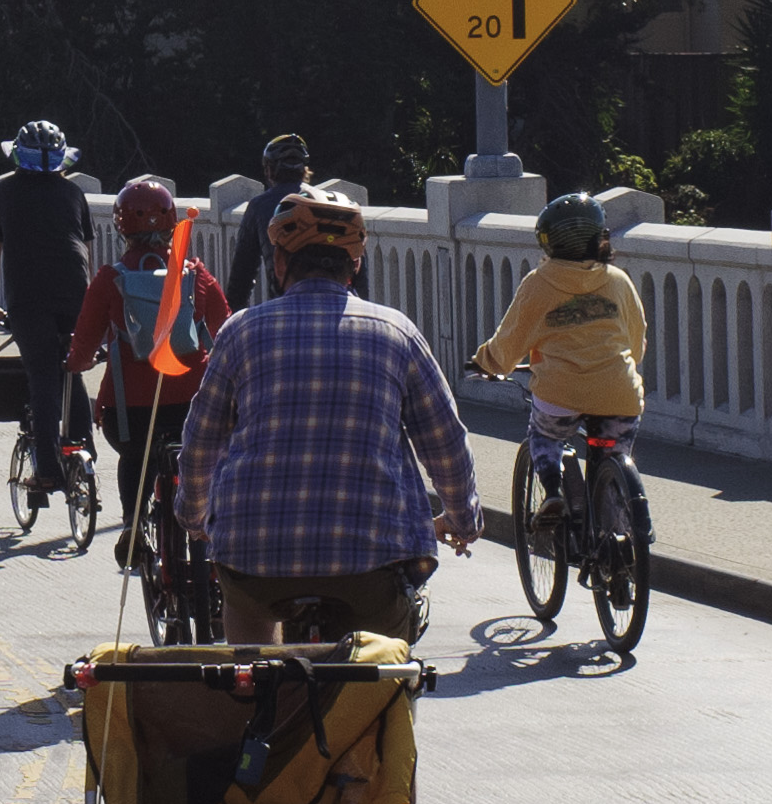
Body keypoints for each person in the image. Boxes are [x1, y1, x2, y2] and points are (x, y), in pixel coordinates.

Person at [171, 181, 475, 641]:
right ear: (354, 266)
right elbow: (446, 444)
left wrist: (194, 517)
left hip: (255, 561)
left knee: (250, 640)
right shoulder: (397, 333)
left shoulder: (239, 333)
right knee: (384, 668)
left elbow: (200, 444)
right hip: (372, 565)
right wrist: (462, 517)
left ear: (279, 263)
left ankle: (257, 691)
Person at [467, 194, 652, 540]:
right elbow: (636, 339)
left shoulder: (538, 284)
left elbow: (509, 343)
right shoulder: (617, 280)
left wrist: (487, 363)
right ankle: (619, 545)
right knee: (615, 452)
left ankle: (552, 490)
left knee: (546, 435)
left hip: (560, 393)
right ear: (600, 238)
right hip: (619, 392)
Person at [69, 175, 232, 556]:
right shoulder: (195, 273)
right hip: (194, 403)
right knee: (206, 459)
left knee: (135, 458)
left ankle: (132, 524)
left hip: (131, 411)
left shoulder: (110, 279)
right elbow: (225, 328)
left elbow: (84, 344)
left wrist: (73, 364)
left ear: (120, 225)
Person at [0, 120, 96, 490]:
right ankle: (84, 458)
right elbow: (85, 251)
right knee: (71, 373)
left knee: (42, 376)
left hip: (29, 298)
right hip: (76, 293)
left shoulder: (4, 192)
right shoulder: (73, 194)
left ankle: (48, 471)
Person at [221, 130, 316, 305]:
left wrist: (232, 320)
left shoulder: (259, 206)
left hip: (283, 307)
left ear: (269, 170)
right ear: (304, 169)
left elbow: (242, 277)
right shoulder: (327, 202)